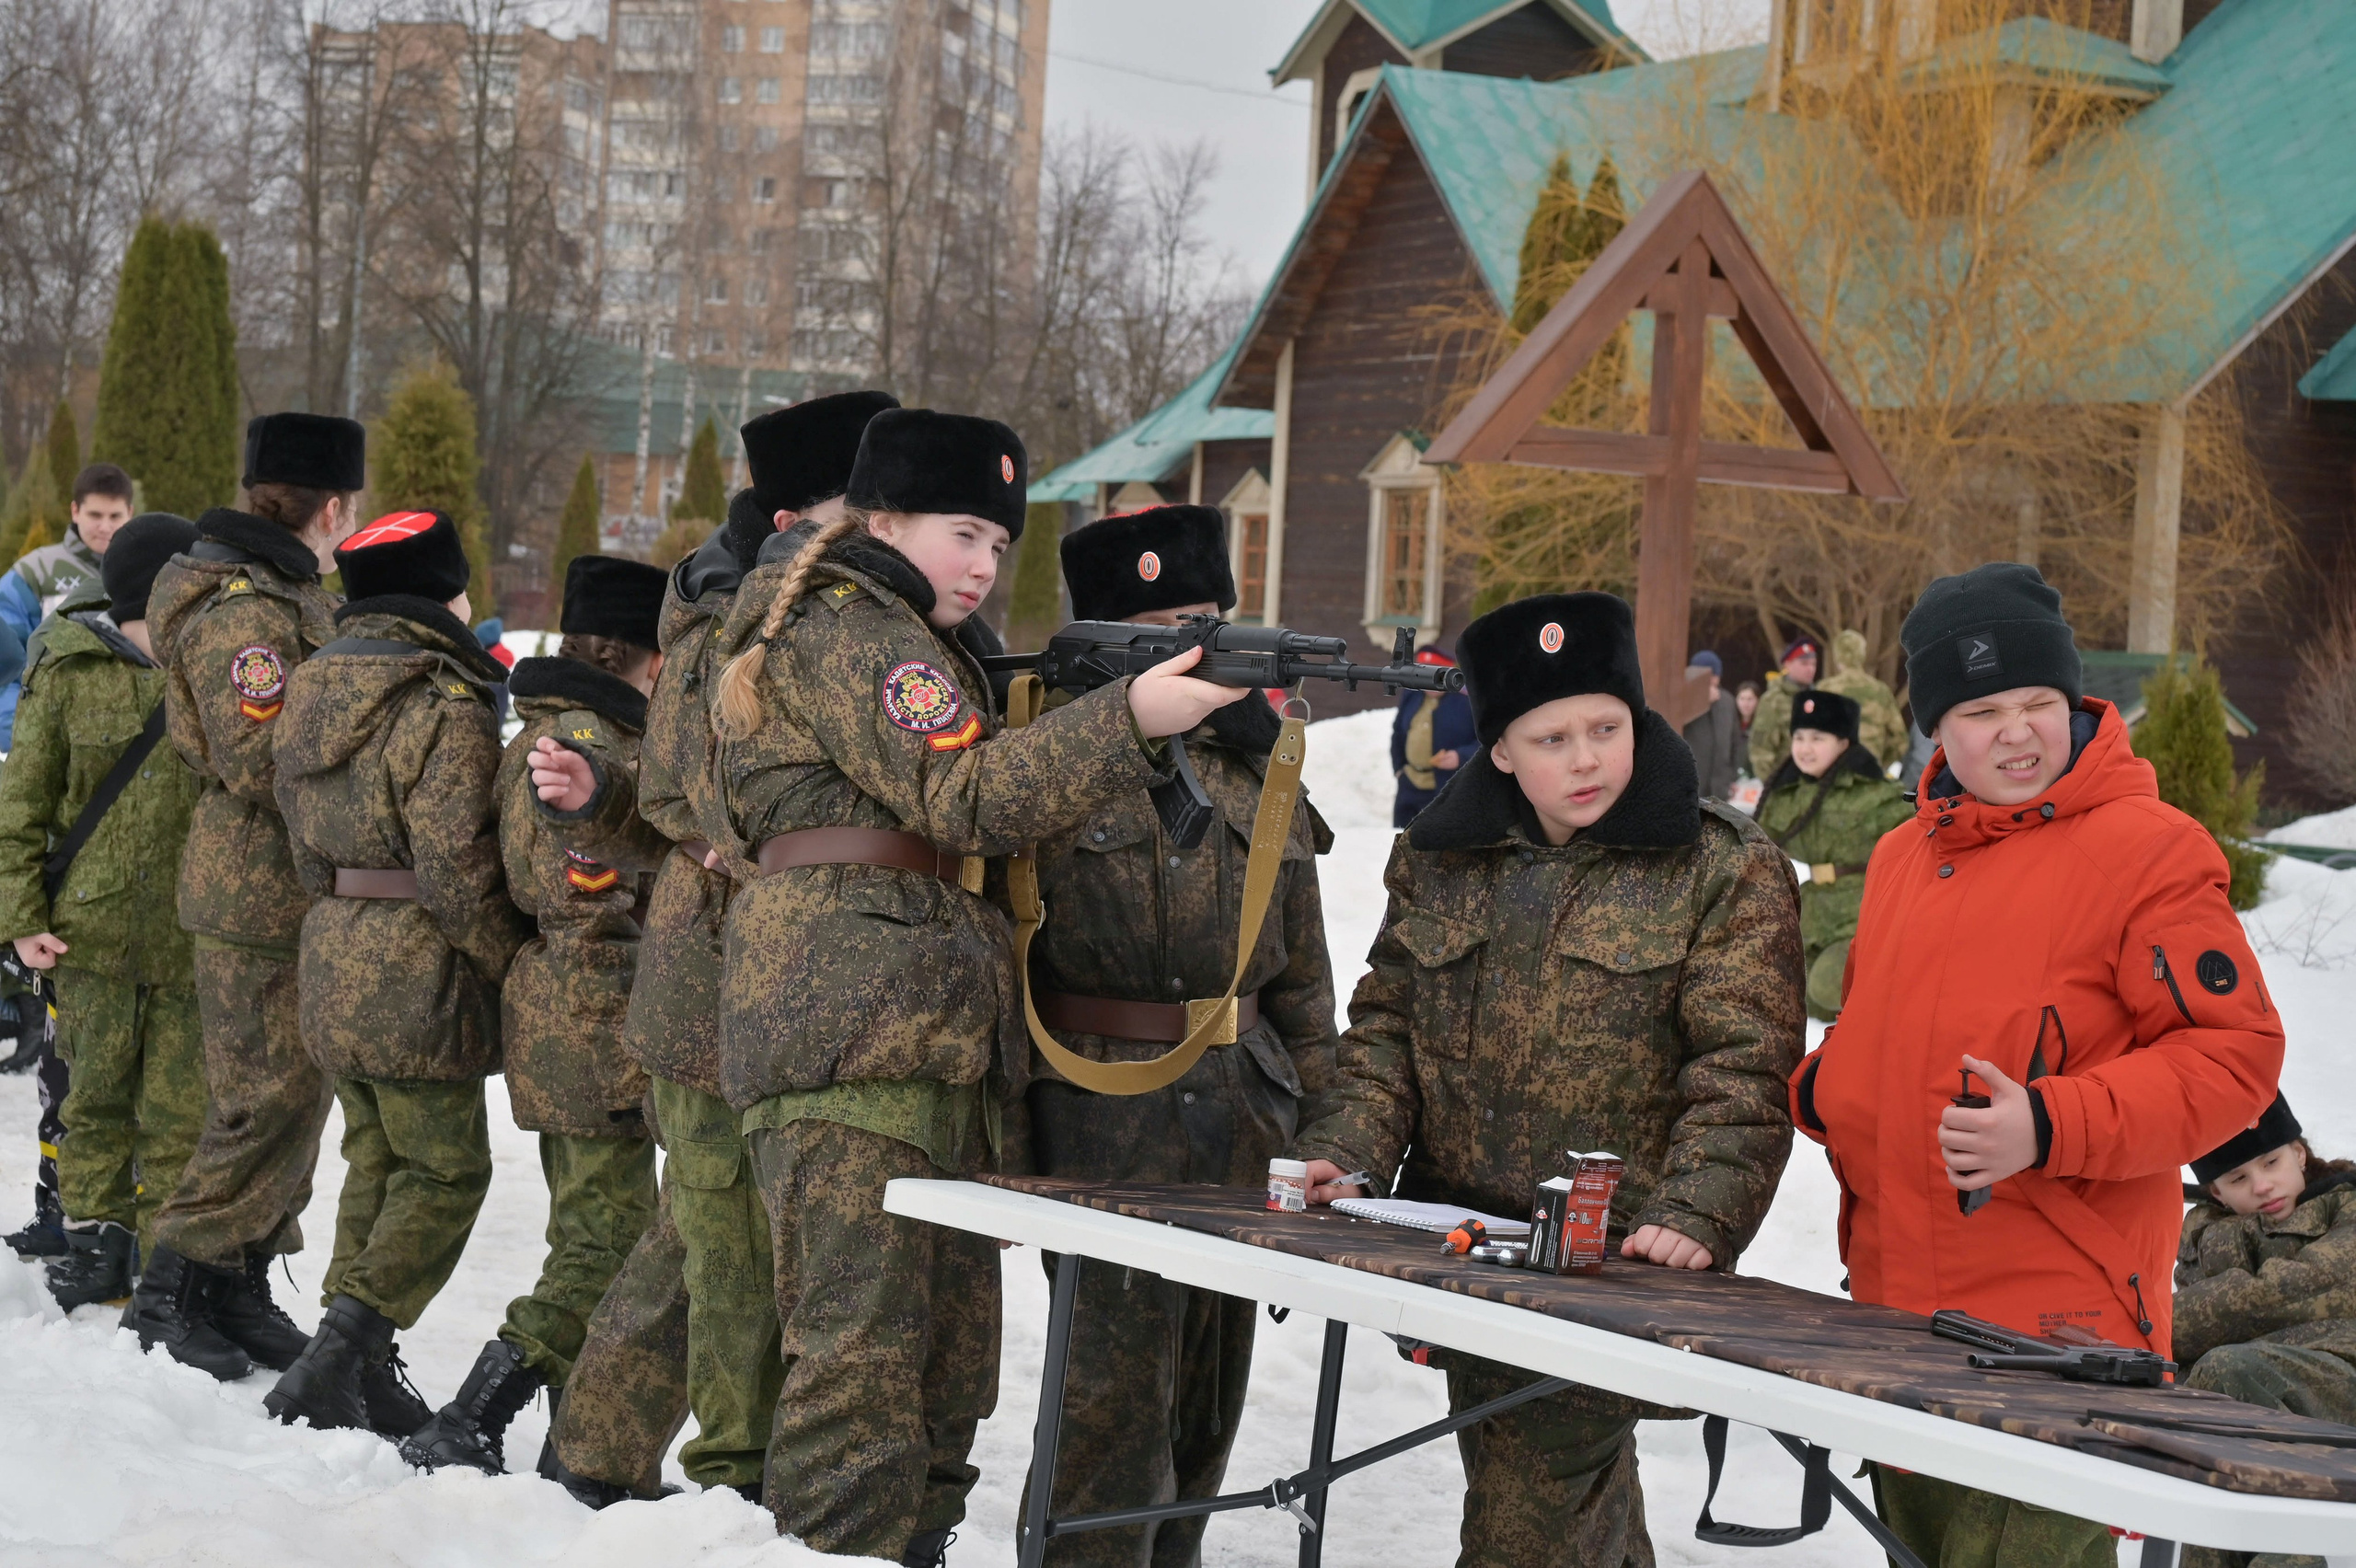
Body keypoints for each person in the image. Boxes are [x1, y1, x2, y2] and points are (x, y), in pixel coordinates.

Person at [705, 408, 1246, 1562]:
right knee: (859, 1386)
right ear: (883, 518)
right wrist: (1131, 720)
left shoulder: (897, 633)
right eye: (963, 534)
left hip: (919, 1046)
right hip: (852, 1042)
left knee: (945, 1385)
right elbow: (967, 800)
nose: (983, 566)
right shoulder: (855, 629)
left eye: (1000, 546)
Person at [1292, 590, 1806, 1568]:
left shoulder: (1719, 870)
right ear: (1499, 750)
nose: (1583, 759)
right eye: (1551, 736)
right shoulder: (1445, 862)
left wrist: (1699, 1211)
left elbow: (1743, 1067)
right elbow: (1389, 1030)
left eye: (1606, 729)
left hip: (1614, 1257)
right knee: (1551, 1490)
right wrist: (1344, 1150)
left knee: (1529, 1514)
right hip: (1464, 1249)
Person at [1789, 562, 2283, 1568]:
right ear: (1934, 726)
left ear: (2074, 704)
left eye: (2038, 703)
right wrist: (1822, 1089)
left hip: (2058, 1340)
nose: (2016, 732)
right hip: (1898, 1318)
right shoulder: (1901, 859)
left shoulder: (2150, 851)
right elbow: (1890, 1040)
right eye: (1980, 709)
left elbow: (2234, 1058)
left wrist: (2050, 1125)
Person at [539, 389, 899, 1509]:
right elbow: (684, 795)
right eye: (864, 505)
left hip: (775, 986)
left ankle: (587, 1460)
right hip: (717, 988)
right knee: (727, 1258)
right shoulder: (726, 625)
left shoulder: (796, 610)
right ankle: (719, 1482)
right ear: (796, 515)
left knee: (691, 1244)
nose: (883, 527)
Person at [1018, 504, 1338, 1566]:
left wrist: (1328, 1134)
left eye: (1206, 617)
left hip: (1240, 1122)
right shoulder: (1048, 757)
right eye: (1159, 624)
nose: (1196, 643)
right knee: (1108, 1423)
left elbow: (1303, 985)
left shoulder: (1263, 764)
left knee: (1204, 1412)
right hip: (1096, 1122)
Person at [401, 555, 672, 1474]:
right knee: (610, 1240)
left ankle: (580, 1430)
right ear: (650, 653)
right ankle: (477, 1411)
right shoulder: (605, 749)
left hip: (554, 996)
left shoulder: (540, 733)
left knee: (588, 1227)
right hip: (605, 1003)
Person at [264, 509, 529, 1434]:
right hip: (418, 960)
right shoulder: (444, 703)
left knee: (376, 1154)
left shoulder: (306, 690)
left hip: (333, 943)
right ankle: (341, 1349)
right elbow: (458, 869)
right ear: (439, 595)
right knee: (446, 1170)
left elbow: (297, 839)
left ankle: (350, 1361)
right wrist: (511, 964)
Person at [123, 413, 363, 1386]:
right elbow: (257, 754)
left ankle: (241, 1277)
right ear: (334, 506)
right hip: (253, 886)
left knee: (296, 1101)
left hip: (288, 885)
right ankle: (169, 1287)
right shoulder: (244, 610)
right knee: (258, 1100)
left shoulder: (284, 592)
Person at [0, 514, 204, 1309]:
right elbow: (22, 807)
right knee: (93, 1104)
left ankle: (162, 1270)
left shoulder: (209, 682)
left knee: (181, 1118)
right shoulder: (70, 672)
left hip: (190, 943)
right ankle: (92, 1248)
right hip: (89, 938)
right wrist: (19, 917)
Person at [2176, 1095, 2353, 1568]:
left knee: (2224, 1370)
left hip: (2344, 1382)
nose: (2262, 1185)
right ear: (2216, 1192)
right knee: (2210, 1404)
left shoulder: (2348, 1204)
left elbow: (2310, 1287)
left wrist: (2176, 1319)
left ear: (2299, 1152)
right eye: (2238, 1178)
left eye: (2271, 1161)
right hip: (2246, 1408)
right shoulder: (2201, 1245)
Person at [1753, 689, 1911, 1022]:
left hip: (1861, 913)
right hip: (1812, 912)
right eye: (1799, 737)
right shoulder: (1787, 796)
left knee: (1826, 985)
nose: (1805, 748)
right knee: (1772, 982)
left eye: (1817, 737)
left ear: (1844, 743)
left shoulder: (1877, 795)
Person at [0, 462, 133, 750]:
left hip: (125, 739)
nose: (105, 526)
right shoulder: (35, 571)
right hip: (46, 733)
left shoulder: (147, 573)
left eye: (115, 515)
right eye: (95, 515)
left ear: (130, 514)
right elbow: (6, 664)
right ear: (75, 511)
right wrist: (20, 736)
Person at [1391, 641, 1475, 826]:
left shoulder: (1467, 701)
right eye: (1423, 676)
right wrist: (1399, 769)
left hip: (1447, 789)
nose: (1428, 683)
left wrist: (1460, 757)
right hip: (1409, 785)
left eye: (1435, 676)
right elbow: (1398, 731)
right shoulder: (1411, 694)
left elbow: (1485, 743)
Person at [1814, 628, 1908, 778]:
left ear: (1838, 656)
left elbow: (1811, 733)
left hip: (1832, 774)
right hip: (1870, 773)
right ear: (1862, 655)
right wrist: (1880, 763)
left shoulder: (1824, 690)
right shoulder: (1880, 691)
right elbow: (1899, 739)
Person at [1747, 633, 1821, 780]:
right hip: (1785, 784)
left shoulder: (1819, 699)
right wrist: (1773, 789)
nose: (1810, 669)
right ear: (1787, 664)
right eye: (1804, 664)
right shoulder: (1773, 700)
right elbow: (1761, 750)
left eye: (1813, 664)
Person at [1680, 649, 1745, 801]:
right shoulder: (1682, 699)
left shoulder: (1728, 701)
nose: (1711, 680)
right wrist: (1699, 699)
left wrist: (1733, 776)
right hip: (1690, 782)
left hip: (1720, 785)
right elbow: (1673, 726)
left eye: (1714, 676)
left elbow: (1736, 741)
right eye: (1706, 676)